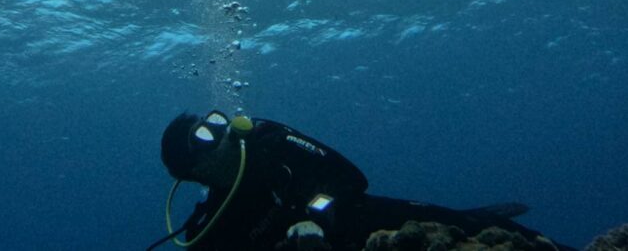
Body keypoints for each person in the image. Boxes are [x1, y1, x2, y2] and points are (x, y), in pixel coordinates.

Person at [146, 110, 577, 251]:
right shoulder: (209, 228)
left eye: (215, 120)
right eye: (205, 136)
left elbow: (349, 177)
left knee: (475, 227)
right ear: (195, 170)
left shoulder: (267, 139)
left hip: (361, 220)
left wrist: (316, 215)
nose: (222, 130)